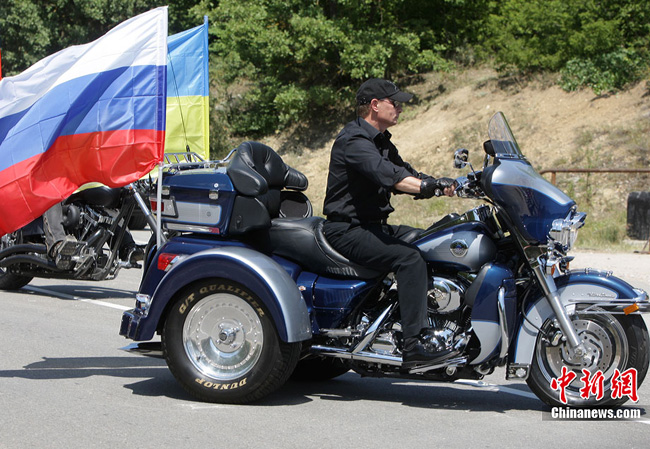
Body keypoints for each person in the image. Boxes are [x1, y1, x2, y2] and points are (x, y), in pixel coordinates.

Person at [322, 78, 456, 367]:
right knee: (409, 259)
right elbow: (385, 174)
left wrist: (439, 183)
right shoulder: (354, 141)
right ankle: (413, 343)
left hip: (373, 226)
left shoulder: (381, 140)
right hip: (347, 229)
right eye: (394, 103)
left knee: (432, 240)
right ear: (374, 105)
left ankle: (433, 318)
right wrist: (426, 186)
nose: (399, 108)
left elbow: (403, 171)